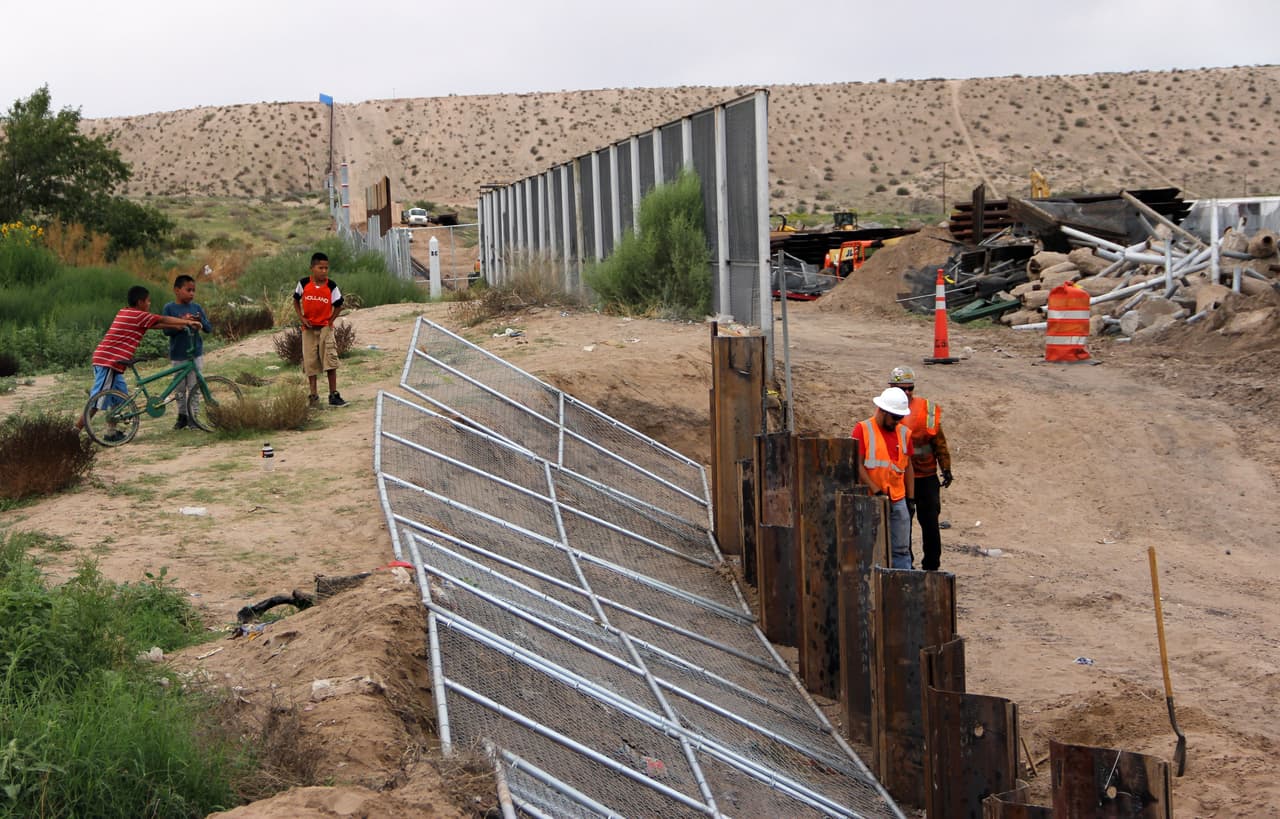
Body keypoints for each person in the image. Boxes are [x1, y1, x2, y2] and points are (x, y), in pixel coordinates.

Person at [76, 285, 203, 440]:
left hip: (110, 361)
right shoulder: (138, 315)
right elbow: (161, 319)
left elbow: (156, 325)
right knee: (96, 401)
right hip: (108, 362)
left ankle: (111, 433)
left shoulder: (126, 312)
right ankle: (72, 433)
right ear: (140, 302)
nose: (149, 304)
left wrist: (182, 323)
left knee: (121, 399)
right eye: (148, 301)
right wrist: (187, 323)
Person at [889, 366, 954, 571]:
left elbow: (939, 441)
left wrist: (946, 467)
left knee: (930, 524)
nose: (907, 393)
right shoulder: (887, 410)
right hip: (901, 477)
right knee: (903, 524)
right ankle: (906, 566)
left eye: (910, 388)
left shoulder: (927, 409)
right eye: (902, 389)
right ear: (892, 388)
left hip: (926, 477)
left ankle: (931, 566)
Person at [852, 387, 915, 569]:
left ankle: (902, 585)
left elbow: (908, 466)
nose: (897, 421)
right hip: (872, 498)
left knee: (901, 549)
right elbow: (858, 465)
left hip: (897, 498)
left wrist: (911, 499)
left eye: (900, 417)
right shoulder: (863, 429)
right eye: (895, 417)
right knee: (871, 547)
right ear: (882, 411)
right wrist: (876, 490)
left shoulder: (904, 433)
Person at [292, 251, 347, 407]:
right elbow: (295, 300)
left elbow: (339, 305)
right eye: (320, 268)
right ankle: (313, 396)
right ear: (312, 268)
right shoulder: (303, 284)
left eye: (326, 268)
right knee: (310, 363)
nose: (324, 271)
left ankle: (333, 395)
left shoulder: (331, 286)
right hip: (308, 330)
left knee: (330, 360)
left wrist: (330, 320)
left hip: (325, 329)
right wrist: (302, 318)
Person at [162, 274, 214, 429]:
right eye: (188, 290)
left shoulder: (196, 307)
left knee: (194, 387)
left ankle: (194, 418)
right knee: (179, 388)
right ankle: (182, 415)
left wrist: (199, 320)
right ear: (177, 290)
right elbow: (166, 331)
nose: (192, 293)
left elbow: (209, 328)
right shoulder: (169, 308)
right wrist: (182, 325)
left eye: (194, 290)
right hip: (178, 355)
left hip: (195, 354)